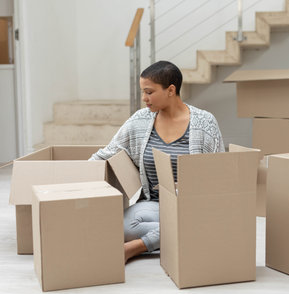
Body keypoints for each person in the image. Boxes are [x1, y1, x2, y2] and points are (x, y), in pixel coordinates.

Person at [89, 61, 224, 263]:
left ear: (171, 90)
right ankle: (184, 234)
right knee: (124, 226)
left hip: (193, 206)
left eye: (149, 92)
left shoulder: (205, 122)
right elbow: (107, 153)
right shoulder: (139, 120)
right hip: (154, 206)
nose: (144, 98)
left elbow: (220, 171)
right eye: (143, 92)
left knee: (207, 221)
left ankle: (136, 247)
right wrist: (75, 177)